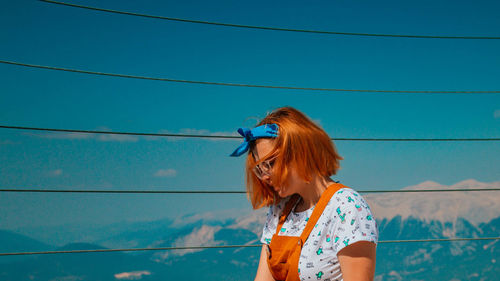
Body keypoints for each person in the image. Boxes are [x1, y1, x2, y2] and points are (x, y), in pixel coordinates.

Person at [230, 107, 378, 281]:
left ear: (300, 151)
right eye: (259, 169)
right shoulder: (280, 210)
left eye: (270, 164)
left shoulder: (347, 208)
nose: (264, 177)